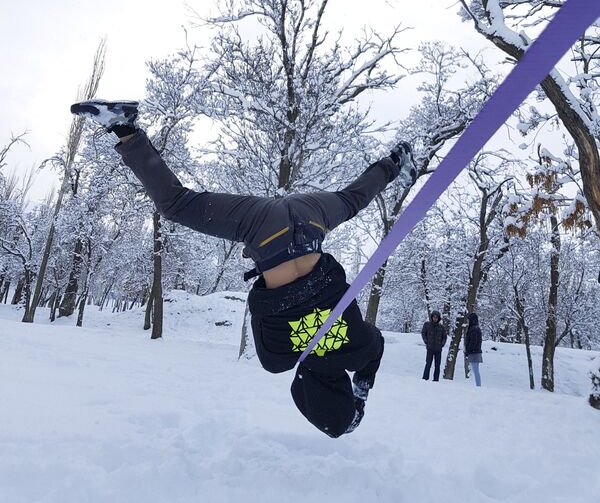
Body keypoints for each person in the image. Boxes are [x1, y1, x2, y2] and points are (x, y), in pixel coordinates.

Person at [71, 99, 417, 438]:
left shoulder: (359, 346)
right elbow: (261, 308)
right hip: (263, 228)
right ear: (306, 386)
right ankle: (125, 128)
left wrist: (361, 394)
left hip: (313, 214)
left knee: (354, 199)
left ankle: (394, 162)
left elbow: (374, 352)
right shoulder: (279, 357)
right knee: (177, 204)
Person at [421, 310, 447, 382]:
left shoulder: (441, 327)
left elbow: (444, 336)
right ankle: (425, 378)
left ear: (438, 318)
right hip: (430, 348)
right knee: (428, 364)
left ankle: (436, 380)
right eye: (434, 317)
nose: (435, 318)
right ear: (431, 317)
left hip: (438, 349)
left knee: (437, 365)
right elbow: (423, 333)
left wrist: (442, 344)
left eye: (436, 317)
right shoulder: (427, 325)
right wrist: (426, 341)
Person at [464, 312, 483, 387]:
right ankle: (478, 385)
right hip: (476, 351)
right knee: (476, 370)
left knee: (475, 370)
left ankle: (478, 385)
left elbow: (473, 341)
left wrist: (468, 350)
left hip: (474, 352)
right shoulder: (476, 328)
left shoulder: (473, 329)